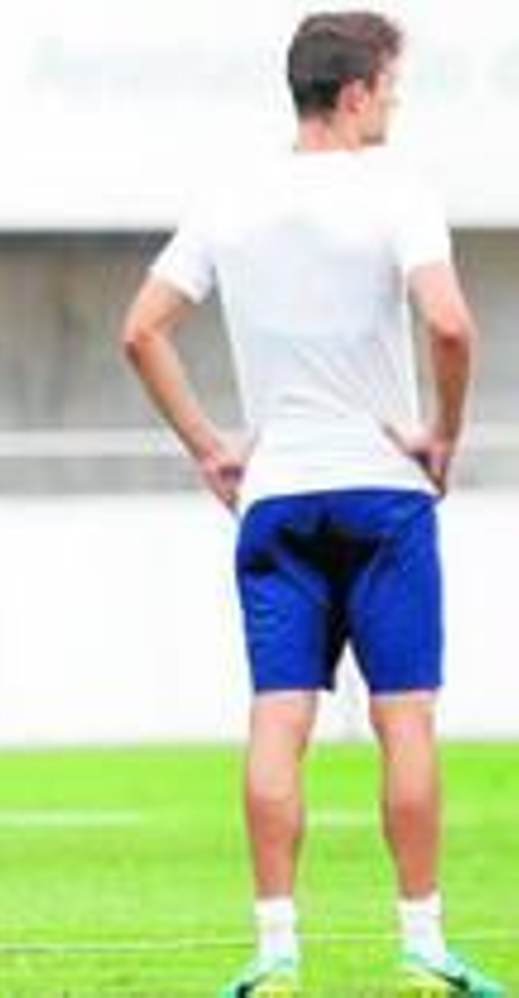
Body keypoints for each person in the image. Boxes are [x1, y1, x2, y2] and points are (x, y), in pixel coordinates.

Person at [121, 11, 503, 997]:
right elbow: (451, 326)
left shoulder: (230, 199)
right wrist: (443, 434)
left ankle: (275, 950)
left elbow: (140, 331)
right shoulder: (396, 195)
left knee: (276, 718)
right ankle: (420, 944)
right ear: (357, 89)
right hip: (382, 493)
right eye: (393, 85)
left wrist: (209, 445)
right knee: (405, 718)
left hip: (278, 493)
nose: (397, 102)